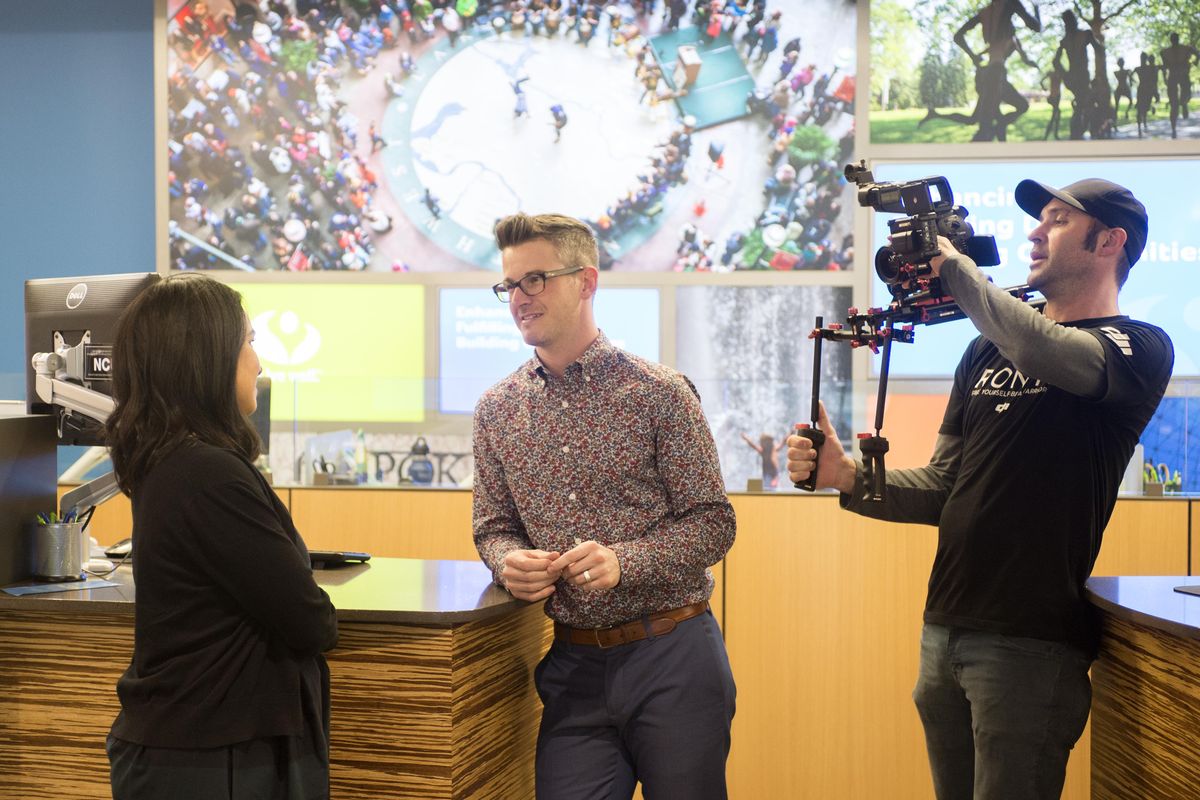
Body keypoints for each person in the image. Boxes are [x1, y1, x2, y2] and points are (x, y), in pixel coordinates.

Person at [787, 177, 1173, 799]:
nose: (1034, 232)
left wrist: (958, 271)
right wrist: (847, 478)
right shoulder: (983, 354)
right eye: (1039, 220)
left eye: (1057, 220)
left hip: (1031, 643)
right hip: (944, 630)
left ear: (1110, 241)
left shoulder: (1137, 346)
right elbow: (945, 485)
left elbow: (1047, 350)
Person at [473, 213, 737, 799]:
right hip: (571, 668)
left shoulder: (659, 392)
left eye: (534, 280)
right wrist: (507, 560)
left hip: (674, 658)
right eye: (509, 285)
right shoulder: (497, 409)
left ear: (586, 282)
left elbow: (714, 523)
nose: (518, 298)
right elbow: (493, 527)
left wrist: (626, 561)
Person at [104, 274, 338, 799]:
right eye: (249, 342)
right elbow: (308, 617)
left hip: (199, 748)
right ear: (205, 359)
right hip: (212, 759)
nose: (259, 363)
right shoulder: (207, 473)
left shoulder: (176, 463)